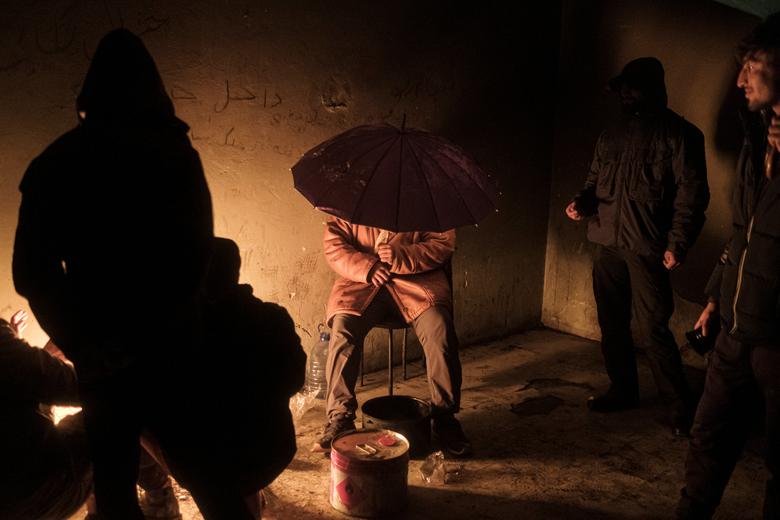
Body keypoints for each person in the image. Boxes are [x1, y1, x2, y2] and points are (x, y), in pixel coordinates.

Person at [13, 29, 214, 518]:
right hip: (170, 349)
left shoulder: (57, 163)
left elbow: (32, 272)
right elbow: (196, 257)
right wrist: (167, 328)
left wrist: (82, 342)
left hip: (104, 356)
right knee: (208, 475)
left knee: (114, 484)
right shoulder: (175, 156)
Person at [565, 57, 710, 436]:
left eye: (632, 88)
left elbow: (692, 196)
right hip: (607, 244)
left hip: (647, 246)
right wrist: (582, 203)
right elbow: (593, 183)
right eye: (622, 89)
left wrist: (678, 244)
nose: (625, 95)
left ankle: (679, 407)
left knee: (653, 328)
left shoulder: (681, 135)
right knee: (612, 322)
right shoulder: (610, 136)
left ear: (653, 89)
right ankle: (623, 389)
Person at [676, 14, 780, 519]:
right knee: (708, 437)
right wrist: (717, 295)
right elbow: (742, 232)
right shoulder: (755, 140)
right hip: (735, 331)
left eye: (752, 66)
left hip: (778, 340)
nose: (740, 80)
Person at [0, 310, 181, 520]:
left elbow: (28, 394)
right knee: (119, 406)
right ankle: (161, 500)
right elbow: (85, 390)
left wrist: (33, 360)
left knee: (84, 423)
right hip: (44, 487)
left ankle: (99, 511)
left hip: (15, 504)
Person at [316, 217, 471, 457]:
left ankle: (445, 417)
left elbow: (442, 245)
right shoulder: (350, 204)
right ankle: (340, 417)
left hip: (418, 284)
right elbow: (334, 246)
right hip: (362, 284)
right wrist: (368, 267)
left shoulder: (425, 203)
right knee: (343, 330)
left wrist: (401, 255)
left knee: (439, 329)